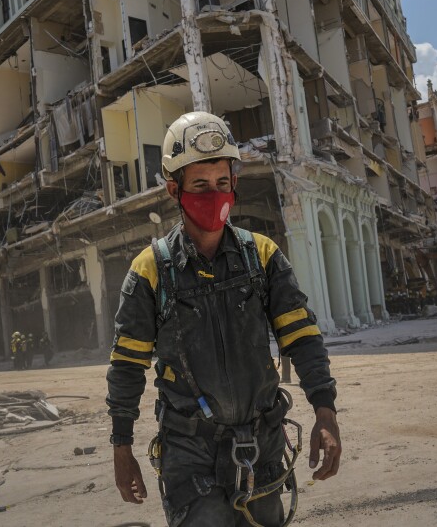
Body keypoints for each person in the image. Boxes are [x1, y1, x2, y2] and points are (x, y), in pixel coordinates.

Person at [106, 112, 341, 526]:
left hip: (262, 446)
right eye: (199, 185)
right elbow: (126, 366)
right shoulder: (150, 271)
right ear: (174, 189)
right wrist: (121, 448)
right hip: (189, 453)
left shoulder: (262, 256)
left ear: (234, 183)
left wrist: (325, 409)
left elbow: (302, 337)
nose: (213, 194)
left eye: (221, 183)